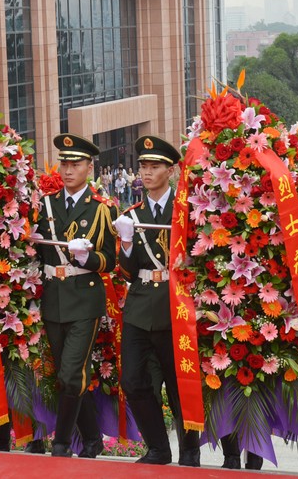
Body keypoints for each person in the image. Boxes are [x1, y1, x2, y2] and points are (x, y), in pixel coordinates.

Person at [113, 136, 201, 467]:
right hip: (139, 306)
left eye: (154, 167)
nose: (147, 173)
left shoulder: (185, 212)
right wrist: (125, 242)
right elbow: (126, 271)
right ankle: (158, 447)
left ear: (170, 170)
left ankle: (190, 451)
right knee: (133, 380)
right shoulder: (133, 215)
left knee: (181, 383)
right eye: (143, 167)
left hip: (175, 305)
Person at [34, 133, 118, 457]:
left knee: (71, 373)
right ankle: (93, 439)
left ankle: (62, 443)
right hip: (53, 299)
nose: (68, 170)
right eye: (64, 163)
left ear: (89, 166)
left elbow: (110, 260)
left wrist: (88, 258)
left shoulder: (100, 209)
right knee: (67, 376)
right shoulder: (47, 204)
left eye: (76, 164)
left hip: (84, 299)